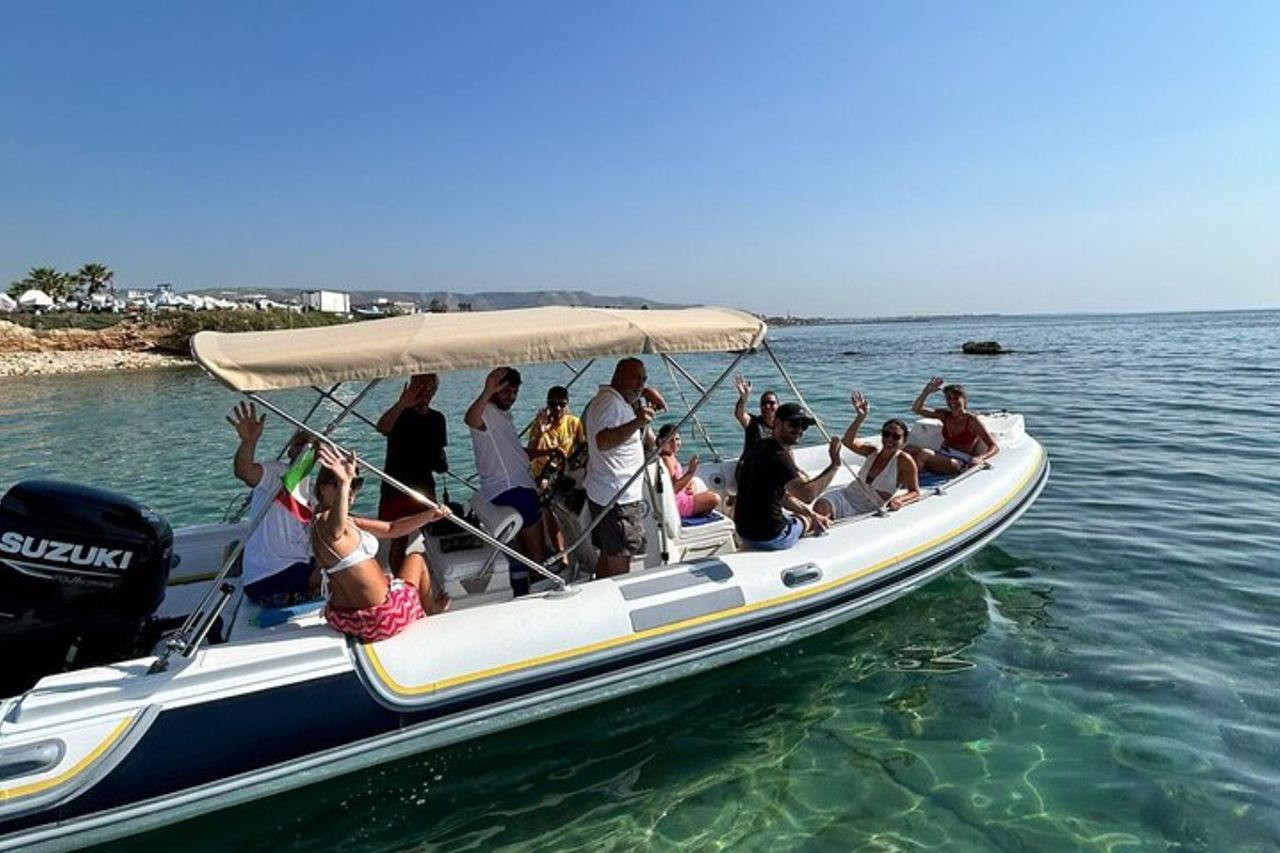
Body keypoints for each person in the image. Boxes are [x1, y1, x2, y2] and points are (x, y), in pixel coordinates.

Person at [310, 445, 451, 642]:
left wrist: (428, 515)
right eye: (339, 484)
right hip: (383, 619)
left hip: (349, 620)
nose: (350, 491)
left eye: (355, 484)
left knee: (394, 575)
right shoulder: (326, 523)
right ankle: (431, 609)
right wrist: (345, 481)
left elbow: (391, 528)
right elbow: (335, 531)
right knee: (416, 559)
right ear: (322, 488)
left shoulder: (343, 521)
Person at [465, 366, 546, 596]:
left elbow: (515, 452)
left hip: (504, 489)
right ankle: (542, 588)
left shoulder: (502, 416)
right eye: (505, 391)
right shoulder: (487, 413)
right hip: (516, 491)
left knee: (524, 552)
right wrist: (487, 390)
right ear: (495, 390)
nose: (511, 396)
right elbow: (470, 419)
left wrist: (548, 451)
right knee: (537, 555)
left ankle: (524, 588)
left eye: (514, 392)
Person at [227, 402, 317, 607]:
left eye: (312, 446)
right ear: (290, 450)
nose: (306, 448)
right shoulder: (276, 474)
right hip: (269, 573)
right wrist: (248, 442)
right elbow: (244, 472)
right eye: (300, 443)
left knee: (343, 562)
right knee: (342, 573)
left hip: (296, 565)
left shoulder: (312, 493)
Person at [583, 358, 667, 578]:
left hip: (606, 493)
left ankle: (600, 591)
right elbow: (603, 442)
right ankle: (615, 596)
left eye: (644, 379)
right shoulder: (610, 404)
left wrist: (645, 392)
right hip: (618, 499)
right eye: (635, 378)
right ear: (619, 376)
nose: (640, 384)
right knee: (620, 560)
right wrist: (637, 423)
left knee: (608, 554)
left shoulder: (611, 399)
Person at [734, 403, 843, 551]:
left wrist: (812, 513)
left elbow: (783, 497)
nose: (799, 430)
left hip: (745, 534)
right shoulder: (779, 456)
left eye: (803, 426)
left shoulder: (760, 446)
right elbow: (807, 495)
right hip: (772, 538)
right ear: (778, 424)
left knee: (808, 514)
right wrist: (834, 465)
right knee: (806, 520)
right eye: (794, 424)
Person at [376, 373, 448, 571]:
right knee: (398, 540)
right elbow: (382, 427)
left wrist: (441, 462)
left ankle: (427, 573)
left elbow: (440, 455)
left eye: (430, 388)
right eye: (420, 386)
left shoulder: (437, 418)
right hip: (397, 486)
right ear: (410, 387)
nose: (425, 392)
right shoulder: (400, 414)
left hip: (424, 485)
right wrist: (402, 404)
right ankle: (399, 579)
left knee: (430, 533)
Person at [814, 392, 922, 520]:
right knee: (820, 506)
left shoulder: (904, 461)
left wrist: (900, 499)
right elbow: (848, 441)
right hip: (847, 496)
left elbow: (915, 492)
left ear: (904, 441)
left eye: (896, 436)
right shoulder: (872, 451)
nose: (889, 439)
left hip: (870, 507)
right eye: (886, 434)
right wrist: (860, 417)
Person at [526, 385, 586, 569]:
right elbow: (530, 453)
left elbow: (583, 448)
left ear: (567, 405)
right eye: (553, 405)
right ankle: (562, 555)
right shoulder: (539, 426)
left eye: (562, 404)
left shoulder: (574, 423)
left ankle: (582, 547)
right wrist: (542, 431)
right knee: (548, 505)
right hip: (543, 474)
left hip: (566, 472)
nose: (557, 409)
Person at [908, 377, 1000, 474]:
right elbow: (917, 409)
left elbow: (994, 446)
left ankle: (913, 479)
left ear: (964, 399)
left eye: (956, 398)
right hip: (942, 454)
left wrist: (980, 457)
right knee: (907, 448)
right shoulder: (944, 415)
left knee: (924, 454)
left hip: (959, 461)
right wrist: (926, 392)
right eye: (949, 398)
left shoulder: (971, 420)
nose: (952, 402)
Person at [656, 424, 722, 518]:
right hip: (678, 504)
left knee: (695, 482)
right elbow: (674, 488)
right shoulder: (666, 459)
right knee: (715, 498)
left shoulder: (670, 456)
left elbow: (673, 481)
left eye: (677, 439)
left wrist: (687, 484)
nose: (675, 443)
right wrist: (691, 471)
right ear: (661, 441)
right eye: (670, 440)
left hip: (680, 496)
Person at [733, 375, 780, 459]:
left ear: (778, 405)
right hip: (752, 465)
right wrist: (743, 398)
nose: (767, 406)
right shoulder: (754, 423)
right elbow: (739, 414)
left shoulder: (781, 426)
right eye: (764, 404)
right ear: (760, 406)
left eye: (771, 403)